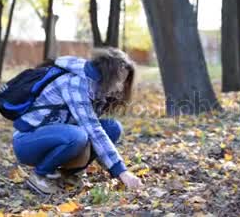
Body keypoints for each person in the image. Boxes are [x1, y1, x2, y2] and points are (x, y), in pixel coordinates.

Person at [10, 48, 143, 194]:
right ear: (107, 74)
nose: (120, 88)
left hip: (59, 136)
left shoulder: (97, 88)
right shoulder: (76, 84)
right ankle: (40, 175)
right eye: (118, 81)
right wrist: (121, 171)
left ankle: (69, 175)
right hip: (27, 142)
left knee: (112, 128)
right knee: (79, 135)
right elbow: (93, 130)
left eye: (123, 83)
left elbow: (95, 129)